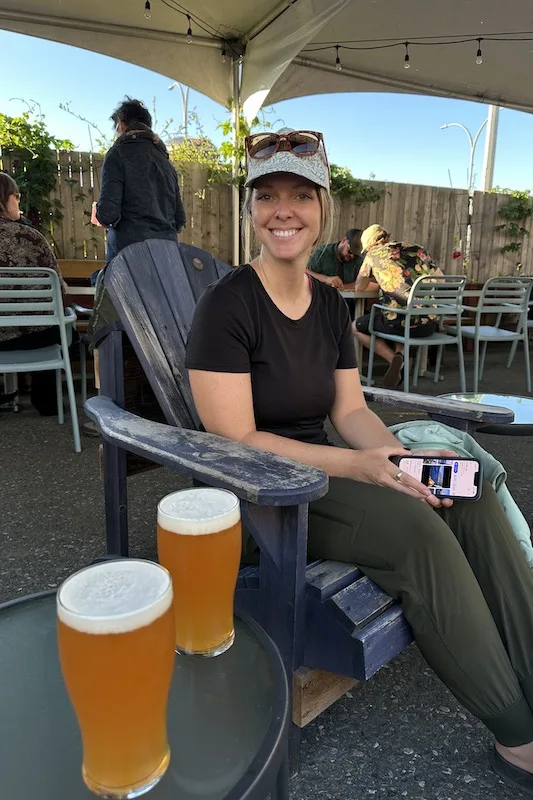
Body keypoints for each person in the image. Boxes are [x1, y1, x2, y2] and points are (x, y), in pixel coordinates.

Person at [184, 127, 533, 794]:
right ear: (250, 209)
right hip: (263, 494)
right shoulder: (226, 305)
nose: (283, 209)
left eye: (299, 194)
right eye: (267, 195)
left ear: (323, 209)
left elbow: (348, 413)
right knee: (415, 532)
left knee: (468, 493)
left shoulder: (327, 306)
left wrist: (398, 456)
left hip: (324, 468)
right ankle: (517, 735)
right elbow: (236, 438)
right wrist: (357, 468)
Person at [0, 173, 72, 416]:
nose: (18, 202)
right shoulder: (32, 237)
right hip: (38, 338)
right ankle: (48, 404)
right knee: (54, 323)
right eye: (16, 197)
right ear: (3, 200)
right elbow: (59, 290)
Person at [95, 96, 186, 262]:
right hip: (167, 258)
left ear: (121, 124)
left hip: (131, 261)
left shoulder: (118, 154)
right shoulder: (166, 164)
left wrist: (98, 211)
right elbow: (179, 220)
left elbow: (108, 215)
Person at [353, 224, 441, 388]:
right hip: (429, 323)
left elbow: (359, 287)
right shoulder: (418, 249)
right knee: (405, 320)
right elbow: (441, 280)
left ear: (370, 245)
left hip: (398, 324)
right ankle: (401, 357)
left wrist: (380, 281)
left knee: (355, 327)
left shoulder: (373, 255)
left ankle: (393, 359)